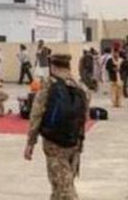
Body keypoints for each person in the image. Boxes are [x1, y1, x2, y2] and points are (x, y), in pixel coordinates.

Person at [25, 54, 89, 200]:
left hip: (54, 143)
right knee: (62, 184)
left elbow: (36, 114)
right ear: (68, 66)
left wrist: (30, 142)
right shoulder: (81, 87)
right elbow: (85, 116)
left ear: (52, 66)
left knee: (65, 190)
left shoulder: (49, 84)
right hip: (75, 142)